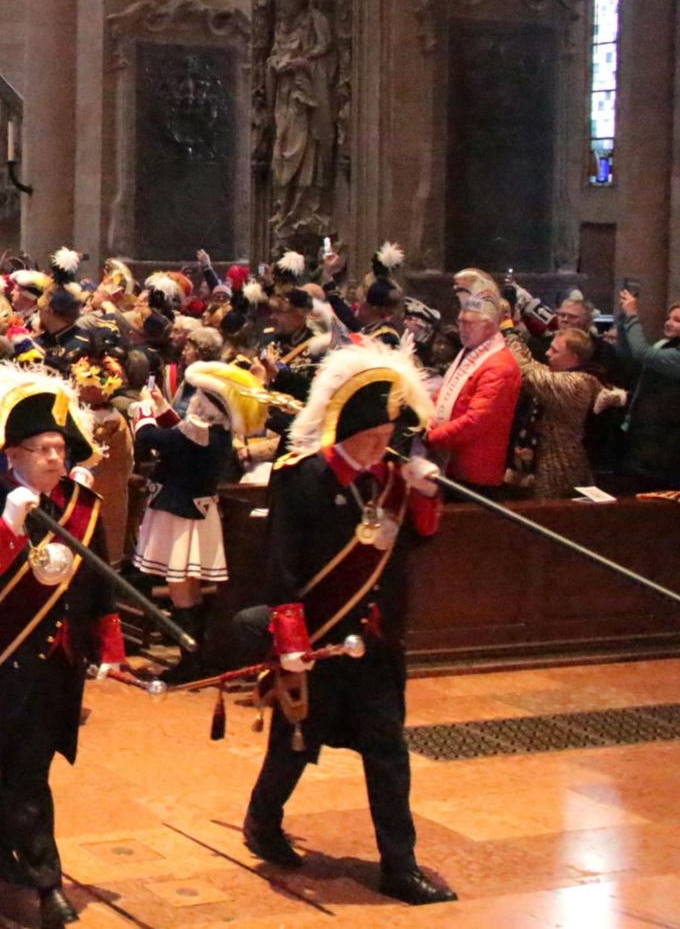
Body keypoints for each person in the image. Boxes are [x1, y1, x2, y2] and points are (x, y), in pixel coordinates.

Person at [238, 343, 456, 906]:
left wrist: (427, 493)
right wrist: (289, 641)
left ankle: (399, 865)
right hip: (319, 642)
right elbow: (283, 568)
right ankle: (263, 821)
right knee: (295, 744)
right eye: (374, 431)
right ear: (348, 426)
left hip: (377, 644)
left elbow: (418, 539)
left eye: (389, 430)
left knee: (388, 753)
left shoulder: (393, 479)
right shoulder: (304, 477)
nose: (384, 440)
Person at [0, 365, 126, 929]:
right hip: (8, 655)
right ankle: (47, 880)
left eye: (59, 447)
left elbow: (100, 581)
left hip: (63, 662)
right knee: (29, 769)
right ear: (15, 454)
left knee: (32, 763)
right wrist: (7, 524)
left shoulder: (85, 504)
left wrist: (109, 647)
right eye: (43, 448)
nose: (56, 457)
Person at [129, 361, 269, 682]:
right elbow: (179, 434)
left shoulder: (201, 434)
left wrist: (144, 411)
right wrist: (162, 408)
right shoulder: (214, 433)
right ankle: (196, 655)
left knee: (182, 591)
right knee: (188, 590)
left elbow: (154, 438)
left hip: (181, 516)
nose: (193, 400)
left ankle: (190, 660)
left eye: (198, 396)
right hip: (194, 513)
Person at [504, 321, 623, 497]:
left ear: (573, 357)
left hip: (559, 468)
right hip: (543, 460)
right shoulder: (562, 375)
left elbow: (525, 371)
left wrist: (506, 330)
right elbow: (531, 363)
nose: (547, 353)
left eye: (554, 351)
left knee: (551, 515)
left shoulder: (577, 384)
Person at [425, 291, 521, 491]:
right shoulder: (470, 352)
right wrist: (426, 419)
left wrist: (431, 437)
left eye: (468, 324)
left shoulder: (499, 365)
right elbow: (446, 393)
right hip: (453, 461)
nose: (461, 329)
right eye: (460, 322)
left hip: (474, 471)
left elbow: (477, 420)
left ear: (488, 326)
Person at [616, 291, 680, 489]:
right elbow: (629, 355)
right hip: (644, 428)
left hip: (664, 439)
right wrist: (623, 319)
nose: (669, 323)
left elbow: (643, 352)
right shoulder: (665, 345)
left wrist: (633, 316)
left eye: (677, 320)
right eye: (669, 318)